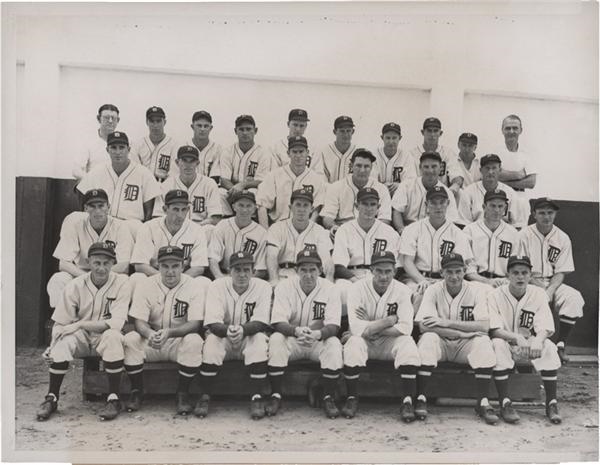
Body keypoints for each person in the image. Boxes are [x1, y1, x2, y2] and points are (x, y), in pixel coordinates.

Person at [37, 243, 131, 421]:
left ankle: (113, 398)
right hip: (81, 338)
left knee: (114, 337)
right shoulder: (75, 285)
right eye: (97, 263)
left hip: (104, 336)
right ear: (88, 262)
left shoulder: (121, 283)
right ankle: (52, 397)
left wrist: (80, 324)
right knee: (63, 340)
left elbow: (116, 323)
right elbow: (61, 322)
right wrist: (53, 345)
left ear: (113, 263)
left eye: (106, 263)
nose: (101, 268)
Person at [123, 246, 208, 415]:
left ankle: (182, 393)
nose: (170, 271)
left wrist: (169, 333)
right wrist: (149, 334)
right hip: (151, 338)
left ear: (183, 266)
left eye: (175, 266)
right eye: (165, 266)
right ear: (159, 267)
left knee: (194, 340)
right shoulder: (146, 284)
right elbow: (139, 321)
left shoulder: (193, 285)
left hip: (177, 339)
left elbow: (195, 324)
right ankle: (136, 391)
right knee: (131, 338)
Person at [415, 253, 499, 424]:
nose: (454, 276)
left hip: (465, 345)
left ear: (464, 271)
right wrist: (460, 332)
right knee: (428, 338)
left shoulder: (476, 290)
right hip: (443, 342)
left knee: (483, 342)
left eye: (458, 271)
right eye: (449, 272)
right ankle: (421, 397)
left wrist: (445, 323)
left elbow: (483, 326)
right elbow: (423, 326)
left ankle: (482, 401)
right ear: (442, 273)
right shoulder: (433, 289)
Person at [341, 251, 420, 421]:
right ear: (371, 270)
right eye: (379, 271)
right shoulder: (357, 288)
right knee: (353, 343)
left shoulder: (402, 290)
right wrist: (390, 320)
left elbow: (406, 327)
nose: (383, 276)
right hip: (366, 342)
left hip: (388, 341)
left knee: (408, 343)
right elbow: (356, 327)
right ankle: (352, 397)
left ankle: (407, 400)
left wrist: (372, 325)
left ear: (394, 271)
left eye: (388, 271)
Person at [267, 249, 343, 418]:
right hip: (293, 339)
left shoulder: (330, 289)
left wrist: (318, 334)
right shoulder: (284, 286)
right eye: (304, 270)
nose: (308, 275)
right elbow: (278, 322)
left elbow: (334, 326)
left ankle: (328, 396)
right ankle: (276, 395)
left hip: (317, 340)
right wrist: (295, 331)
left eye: (313, 270)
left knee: (334, 344)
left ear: (320, 270)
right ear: (296, 271)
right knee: (276, 339)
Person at [195, 252, 271, 419]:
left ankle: (257, 397)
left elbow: (261, 321)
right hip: (224, 336)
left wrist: (243, 330)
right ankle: (204, 396)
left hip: (248, 337)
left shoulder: (263, 287)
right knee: (212, 342)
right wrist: (228, 330)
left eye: (246, 269)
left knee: (259, 340)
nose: (242, 274)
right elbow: (213, 322)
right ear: (229, 271)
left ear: (253, 271)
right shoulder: (217, 285)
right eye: (237, 269)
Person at [489, 255, 563, 424]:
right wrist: (515, 337)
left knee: (549, 347)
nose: (520, 277)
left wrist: (538, 340)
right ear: (508, 274)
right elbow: (494, 330)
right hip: (507, 342)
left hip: (530, 345)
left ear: (530, 275)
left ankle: (551, 402)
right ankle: (505, 403)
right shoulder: (495, 295)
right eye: (515, 272)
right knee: (497, 344)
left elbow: (545, 326)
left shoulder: (538, 293)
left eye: (524, 272)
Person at [518, 197, 584, 363]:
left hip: (553, 282)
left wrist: (550, 290)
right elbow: (518, 267)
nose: (546, 216)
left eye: (550, 212)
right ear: (534, 214)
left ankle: (560, 344)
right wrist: (536, 285)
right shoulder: (523, 235)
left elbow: (561, 271)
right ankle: (534, 345)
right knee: (535, 301)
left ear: (555, 214)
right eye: (542, 213)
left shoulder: (562, 237)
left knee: (573, 298)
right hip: (528, 281)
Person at [46, 188, 133, 310]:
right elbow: (63, 264)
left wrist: (99, 276)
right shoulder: (75, 223)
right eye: (92, 206)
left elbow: (124, 265)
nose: (97, 211)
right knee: (58, 279)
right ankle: (63, 321)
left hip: (109, 274)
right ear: (85, 208)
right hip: (80, 274)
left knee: (126, 281)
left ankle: (115, 321)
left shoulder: (120, 226)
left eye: (101, 205)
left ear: (108, 207)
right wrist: (88, 278)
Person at [399, 186, 475, 307]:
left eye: (442, 202)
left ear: (448, 203)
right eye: (433, 203)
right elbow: (407, 262)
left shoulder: (457, 233)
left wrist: (445, 282)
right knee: (417, 293)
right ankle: (413, 326)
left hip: (446, 279)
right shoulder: (412, 229)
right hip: (417, 278)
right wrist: (421, 280)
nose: (438, 207)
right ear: (426, 204)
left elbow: (460, 264)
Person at [76, 131, 162, 236]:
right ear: (107, 150)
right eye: (113, 148)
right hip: (104, 224)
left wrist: (144, 232)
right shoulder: (97, 171)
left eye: (121, 147)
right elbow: (81, 191)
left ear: (128, 149)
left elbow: (150, 210)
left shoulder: (143, 174)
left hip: (131, 226)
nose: (118, 152)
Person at [332, 188, 401, 317]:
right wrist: (357, 282)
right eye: (365, 204)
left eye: (373, 204)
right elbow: (338, 266)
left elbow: (397, 266)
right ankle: (344, 329)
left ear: (378, 207)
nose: (369, 208)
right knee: (341, 290)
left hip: (381, 277)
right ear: (357, 206)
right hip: (351, 276)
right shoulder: (344, 230)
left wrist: (381, 281)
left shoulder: (389, 232)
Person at [130, 190, 208, 290]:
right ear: (165, 209)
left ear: (188, 209)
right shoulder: (148, 228)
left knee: (203, 281)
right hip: (155, 279)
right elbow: (140, 265)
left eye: (184, 209)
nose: (180, 215)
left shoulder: (197, 230)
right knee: (136, 278)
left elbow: (199, 267)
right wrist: (164, 279)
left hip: (184, 281)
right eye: (175, 209)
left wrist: (178, 280)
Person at [266, 189, 334, 286]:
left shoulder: (320, 231)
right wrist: (274, 280)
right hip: (283, 275)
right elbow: (271, 256)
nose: (301, 209)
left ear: (312, 208)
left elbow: (327, 260)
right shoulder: (277, 228)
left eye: (305, 205)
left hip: (310, 277)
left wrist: (329, 279)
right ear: (290, 207)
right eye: (298, 205)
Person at [257, 135, 327, 229]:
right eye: (294, 152)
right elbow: (262, 205)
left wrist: (308, 230)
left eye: (301, 151)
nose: (298, 155)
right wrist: (265, 231)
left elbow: (317, 209)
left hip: (304, 227)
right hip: (278, 226)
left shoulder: (316, 179)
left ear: (307, 153)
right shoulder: (274, 175)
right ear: (288, 153)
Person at [153, 145, 223, 238]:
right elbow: (158, 216)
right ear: (177, 162)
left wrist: (195, 227)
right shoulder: (166, 185)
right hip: (173, 229)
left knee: (210, 230)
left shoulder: (209, 184)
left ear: (197, 163)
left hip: (201, 228)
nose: (188, 165)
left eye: (192, 161)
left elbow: (215, 218)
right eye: (184, 160)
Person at [321, 149, 392, 233]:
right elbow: (327, 217)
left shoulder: (381, 189)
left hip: (370, 231)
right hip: (343, 229)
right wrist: (335, 228)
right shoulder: (336, 187)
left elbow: (385, 219)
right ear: (351, 166)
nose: (362, 170)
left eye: (366, 166)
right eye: (358, 166)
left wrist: (370, 233)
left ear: (371, 168)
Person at [216, 114, 272, 215]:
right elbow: (224, 180)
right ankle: (227, 220)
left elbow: (262, 181)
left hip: (252, 191)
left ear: (255, 131)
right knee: (219, 193)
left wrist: (243, 185)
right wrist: (234, 190)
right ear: (235, 131)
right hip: (232, 190)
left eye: (248, 129)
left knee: (256, 192)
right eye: (241, 129)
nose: (245, 132)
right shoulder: (227, 152)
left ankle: (254, 222)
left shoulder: (263, 153)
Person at [391, 151, 459, 234]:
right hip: (407, 229)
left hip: (433, 232)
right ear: (420, 167)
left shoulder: (447, 193)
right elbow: (397, 211)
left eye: (434, 166)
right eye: (426, 167)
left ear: (441, 168)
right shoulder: (406, 185)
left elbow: (451, 221)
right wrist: (401, 230)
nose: (430, 171)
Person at [463, 189, 520, 288]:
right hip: (477, 282)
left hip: (504, 282)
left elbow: (516, 266)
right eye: (493, 206)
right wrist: (487, 282)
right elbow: (468, 269)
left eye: (500, 206)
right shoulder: (470, 230)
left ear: (505, 208)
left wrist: (507, 280)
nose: (497, 210)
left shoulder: (513, 233)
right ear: (484, 207)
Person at [208, 190, 268, 279]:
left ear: (254, 209)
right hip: (223, 274)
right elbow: (212, 258)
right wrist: (219, 277)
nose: (244, 210)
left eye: (248, 206)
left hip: (249, 279)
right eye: (241, 205)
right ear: (233, 207)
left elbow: (261, 269)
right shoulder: (222, 225)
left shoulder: (262, 233)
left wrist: (245, 282)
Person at [457, 154, 524, 229]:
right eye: (487, 168)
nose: (490, 172)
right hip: (477, 235)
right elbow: (463, 224)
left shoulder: (510, 193)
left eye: (494, 168)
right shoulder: (468, 192)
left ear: (500, 170)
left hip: (503, 235)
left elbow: (517, 225)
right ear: (480, 170)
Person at [317, 115, 376, 183]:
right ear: (334, 132)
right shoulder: (323, 152)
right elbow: (320, 178)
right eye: (342, 131)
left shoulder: (359, 153)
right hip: (328, 191)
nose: (345, 135)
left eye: (348, 131)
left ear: (353, 131)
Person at [72, 104, 120, 181]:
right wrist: (92, 181)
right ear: (98, 119)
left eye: (113, 118)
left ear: (118, 120)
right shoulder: (88, 142)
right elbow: (76, 170)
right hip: (94, 189)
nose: (110, 121)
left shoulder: (124, 143)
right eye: (107, 118)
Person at [131, 106, 178, 182]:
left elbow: (174, 173)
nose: (155, 125)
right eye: (152, 121)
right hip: (143, 185)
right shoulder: (138, 145)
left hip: (165, 185)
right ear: (147, 122)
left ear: (164, 122)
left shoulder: (174, 145)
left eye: (158, 121)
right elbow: (134, 170)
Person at [408, 117, 459, 186]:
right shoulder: (412, 154)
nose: (432, 134)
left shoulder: (448, 153)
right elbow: (410, 180)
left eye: (435, 131)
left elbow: (456, 175)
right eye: (429, 131)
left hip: (441, 193)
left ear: (440, 133)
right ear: (422, 132)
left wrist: (455, 186)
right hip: (419, 192)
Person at [372, 122, 418, 197]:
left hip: (400, 197)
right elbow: (371, 180)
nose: (391, 142)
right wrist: (382, 187)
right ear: (382, 137)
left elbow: (412, 181)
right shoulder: (374, 155)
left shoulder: (406, 156)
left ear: (400, 138)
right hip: (378, 196)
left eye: (394, 138)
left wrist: (400, 185)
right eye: (388, 138)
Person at [183, 110, 222, 178]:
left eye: (206, 126)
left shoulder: (218, 149)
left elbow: (215, 177)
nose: (202, 129)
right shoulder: (183, 147)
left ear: (211, 128)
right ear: (192, 127)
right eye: (199, 125)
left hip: (210, 187)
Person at [447, 132, 481, 202]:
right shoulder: (452, 160)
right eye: (464, 145)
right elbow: (457, 179)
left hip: (478, 198)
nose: (467, 149)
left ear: (475, 147)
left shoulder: (481, 162)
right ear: (458, 145)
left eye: (470, 146)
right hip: (459, 198)